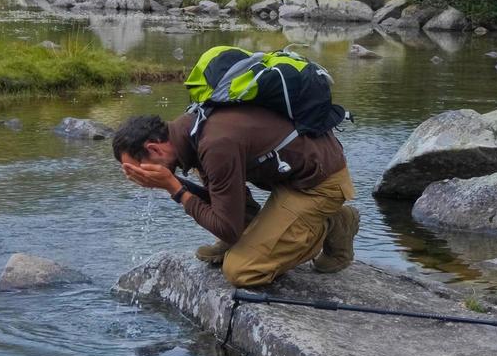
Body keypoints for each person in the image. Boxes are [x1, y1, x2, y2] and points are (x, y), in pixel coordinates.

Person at [112, 107, 358, 287]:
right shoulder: (191, 128)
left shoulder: (215, 144)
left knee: (241, 271)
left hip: (317, 183)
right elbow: (219, 197)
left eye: (140, 166)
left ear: (154, 148)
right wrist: (174, 184)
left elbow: (226, 228)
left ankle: (330, 222)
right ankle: (266, 229)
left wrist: (174, 188)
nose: (143, 174)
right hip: (289, 174)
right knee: (207, 172)